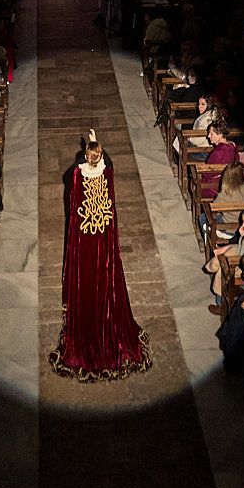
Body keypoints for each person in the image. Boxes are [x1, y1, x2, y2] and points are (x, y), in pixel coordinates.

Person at [50, 132, 152, 381]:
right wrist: (96, 148)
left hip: (85, 238)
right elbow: (109, 162)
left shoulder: (77, 175)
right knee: (106, 280)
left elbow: (70, 180)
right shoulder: (107, 173)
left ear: (86, 156)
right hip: (103, 237)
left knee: (85, 279)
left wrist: (87, 152)